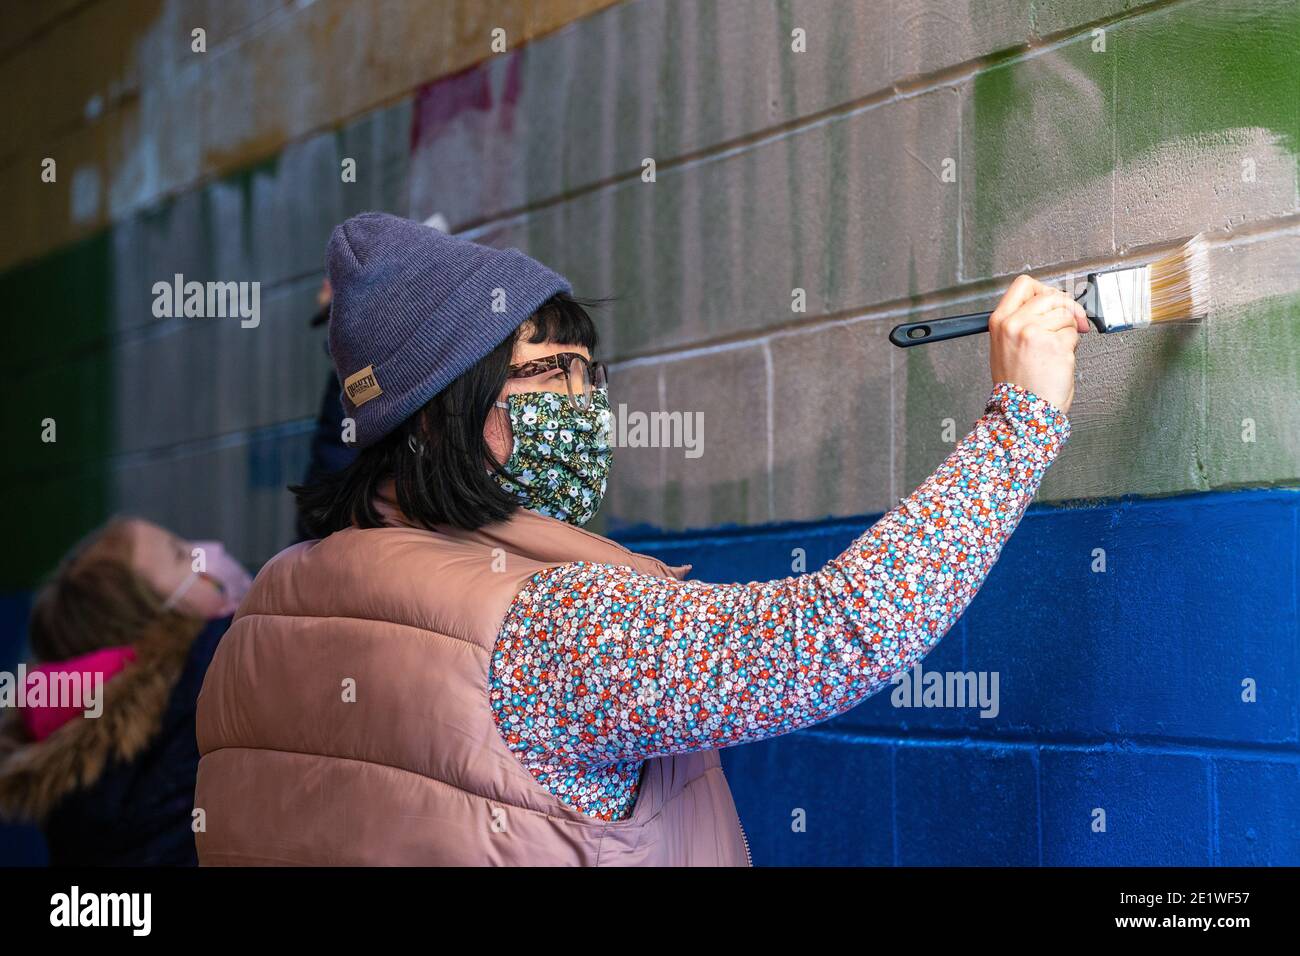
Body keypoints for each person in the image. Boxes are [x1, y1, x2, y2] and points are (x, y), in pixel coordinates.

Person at [194, 211, 1088, 866]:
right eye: (548, 374)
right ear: (434, 419)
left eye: (590, 373)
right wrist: (1022, 421)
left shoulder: (259, 625)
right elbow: (831, 637)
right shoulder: (544, 625)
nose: (585, 408)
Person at [0, 518, 252, 865]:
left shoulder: (77, 801)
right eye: (181, 556)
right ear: (155, 623)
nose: (206, 551)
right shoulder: (215, 669)